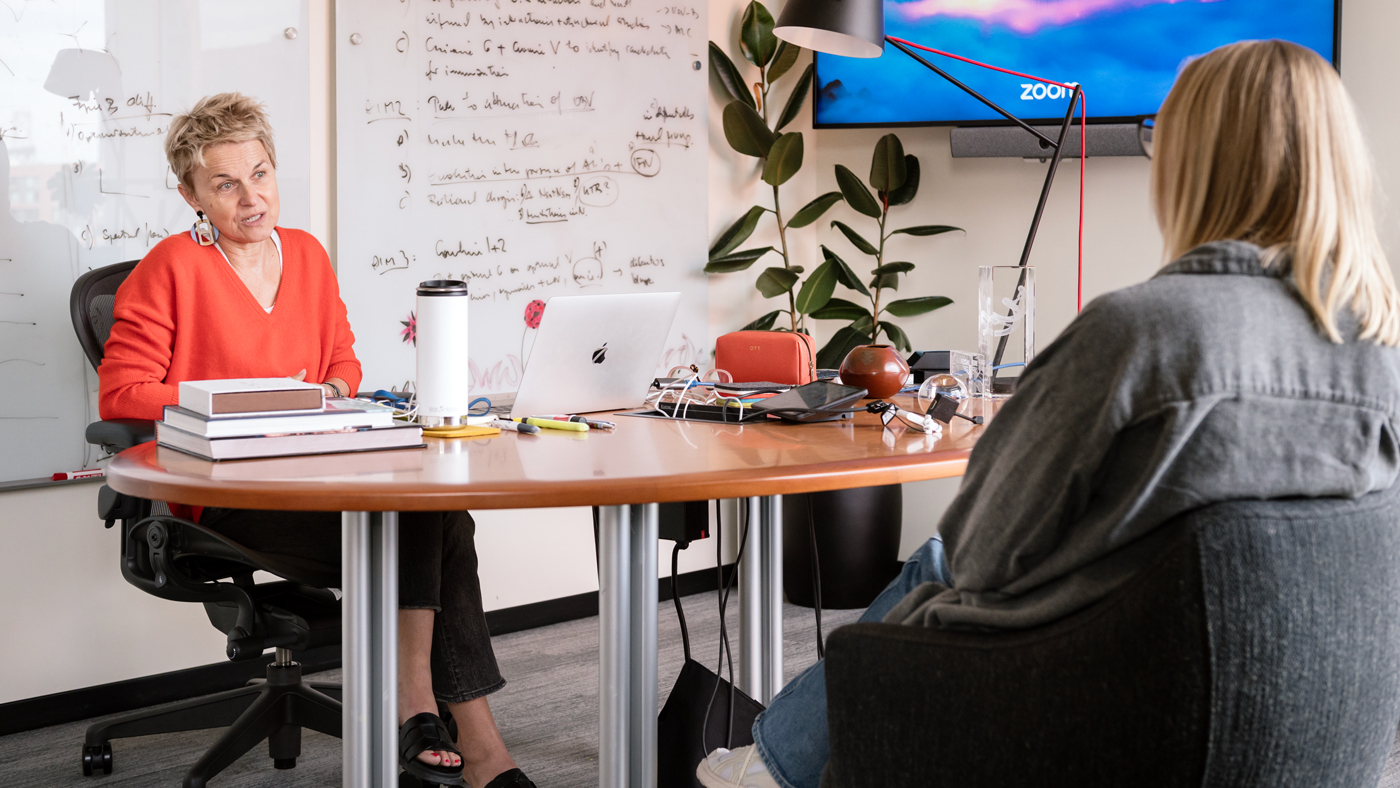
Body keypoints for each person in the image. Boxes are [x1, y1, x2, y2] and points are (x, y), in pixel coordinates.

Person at [698, 39, 1400, 788]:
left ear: (1194, 162)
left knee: (937, 561)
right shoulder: (1374, 347)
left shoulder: (1142, 333)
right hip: (1299, 720)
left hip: (1100, 705)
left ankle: (769, 769)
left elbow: (981, 550)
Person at [98, 93, 536, 788]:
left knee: (436, 511)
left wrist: (330, 389)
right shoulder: (170, 268)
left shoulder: (305, 254)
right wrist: (244, 399)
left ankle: (437, 723)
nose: (252, 198)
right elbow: (122, 397)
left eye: (261, 174)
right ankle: (458, 736)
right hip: (230, 496)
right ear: (191, 195)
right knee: (432, 521)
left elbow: (344, 364)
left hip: (325, 474)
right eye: (226, 184)